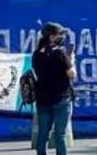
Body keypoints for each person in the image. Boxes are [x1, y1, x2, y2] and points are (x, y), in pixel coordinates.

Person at [32, 22, 76, 155]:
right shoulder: (60, 53)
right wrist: (72, 60)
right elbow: (72, 74)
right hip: (61, 98)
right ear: (51, 37)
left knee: (43, 135)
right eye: (60, 34)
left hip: (42, 99)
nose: (62, 37)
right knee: (60, 135)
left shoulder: (36, 54)